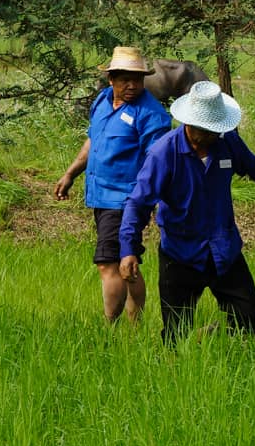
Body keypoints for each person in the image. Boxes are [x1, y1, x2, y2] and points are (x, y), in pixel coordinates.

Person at [117, 81, 255, 343]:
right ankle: (180, 364)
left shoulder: (227, 142)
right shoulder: (164, 154)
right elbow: (138, 203)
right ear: (189, 124)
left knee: (250, 321)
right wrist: (129, 249)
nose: (212, 136)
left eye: (215, 130)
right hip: (180, 253)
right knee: (176, 334)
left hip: (223, 250)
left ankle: (211, 338)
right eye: (206, 131)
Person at [54, 46, 171, 323]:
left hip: (126, 199)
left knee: (107, 264)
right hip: (100, 195)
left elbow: (158, 162)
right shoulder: (104, 101)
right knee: (125, 263)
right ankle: (133, 328)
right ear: (111, 79)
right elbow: (93, 140)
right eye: (124, 79)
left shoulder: (151, 115)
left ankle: (110, 327)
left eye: (137, 79)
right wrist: (71, 173)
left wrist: (152, 201)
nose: (131, 85)